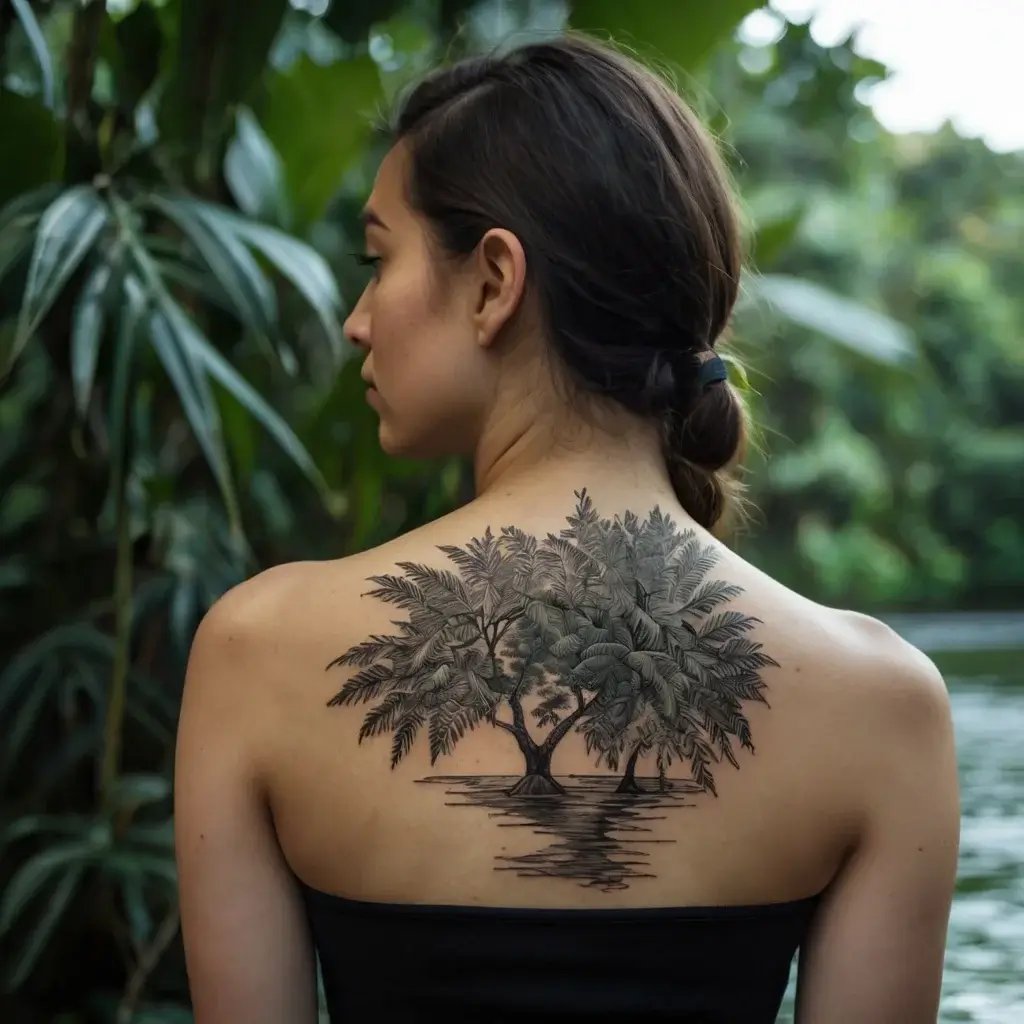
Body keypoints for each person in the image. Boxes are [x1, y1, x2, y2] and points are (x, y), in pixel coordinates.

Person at [174, 34, 960, 1024]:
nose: (357, 321)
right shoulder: (880, 704)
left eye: (379, 260)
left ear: (495, 281)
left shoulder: (258, 653)